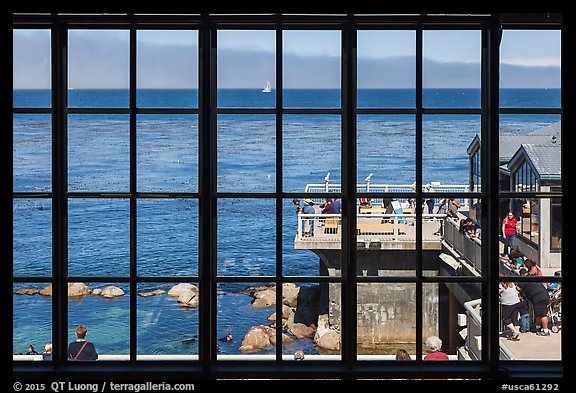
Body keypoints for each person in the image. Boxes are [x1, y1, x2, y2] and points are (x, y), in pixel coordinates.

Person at [516, 269, 551, 336]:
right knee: (538, 314)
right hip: (543, 296)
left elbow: (518, 288)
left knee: (542, 315)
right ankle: (538, 328)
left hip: (539, 298)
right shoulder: (532, 276)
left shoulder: (524, 279)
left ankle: (546, 331)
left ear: (521, 274)